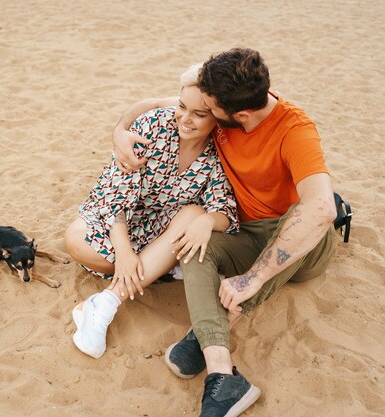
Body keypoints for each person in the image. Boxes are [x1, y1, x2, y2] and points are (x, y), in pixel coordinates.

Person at [113, 48, 338, 417]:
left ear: (240, 116)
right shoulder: (221, 103)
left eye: (210, 112)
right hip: (244, 231)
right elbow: (147, 105)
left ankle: (202, 330)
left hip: (298, 238)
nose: (200, 114)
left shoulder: (295, 129)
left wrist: (252, 278)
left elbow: (322, 209)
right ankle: (223, 372)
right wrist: (120, 132)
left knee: (302, 215)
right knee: (193, 243)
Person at [64, 65, 240, 360]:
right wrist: (123, 252)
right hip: (118, 216)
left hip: (167, 224)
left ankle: (104, 303)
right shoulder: (153, 126)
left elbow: (224, 209)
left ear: (219, 116)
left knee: (195, 213)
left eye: (198, 114)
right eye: (182, 107)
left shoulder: (224, 149)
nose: (185, 118)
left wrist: (209, 220)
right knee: (75, 239)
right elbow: (116, 195)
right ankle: (161, 266)